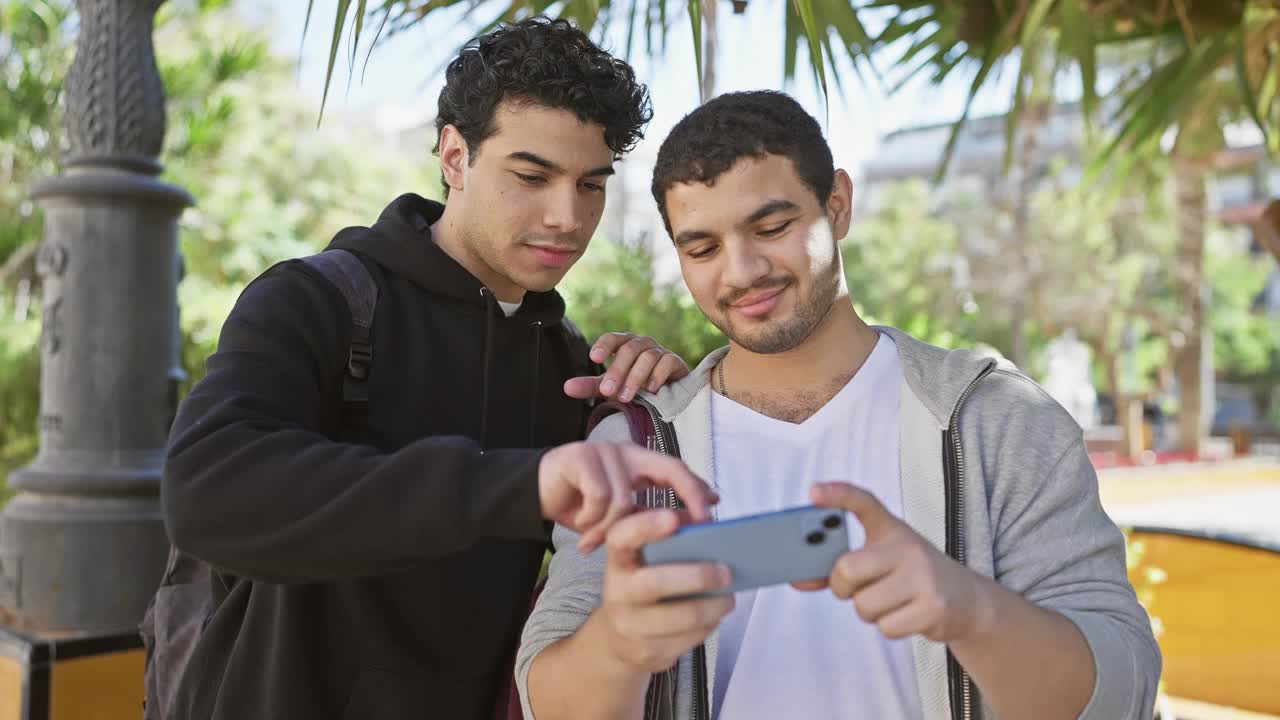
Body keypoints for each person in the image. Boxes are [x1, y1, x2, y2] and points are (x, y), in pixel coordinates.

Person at [517, 91, 1162, 720]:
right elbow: (545, 698)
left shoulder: (999, 419)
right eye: (702, 249)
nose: (739, 272)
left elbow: (1120, 688)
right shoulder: (634, 451)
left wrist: (969, 609)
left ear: (839, 204)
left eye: (771, 227)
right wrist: (618, 646)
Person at [159, 18, 716, 720]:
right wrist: (515, 483)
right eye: (531, 175)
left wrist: (648, 406)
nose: (567, 216)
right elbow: (207, 492)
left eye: (591, 184)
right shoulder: (317, 301)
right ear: (455, 156)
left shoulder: (567, 365)